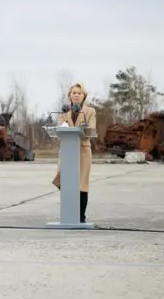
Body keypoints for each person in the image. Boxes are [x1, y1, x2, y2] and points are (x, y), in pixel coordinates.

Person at [52, 82, 97, 223]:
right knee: (64, 180)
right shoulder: (64, 112)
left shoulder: (90, 111)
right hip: (67, 151)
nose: (76, 95)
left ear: (83, 96)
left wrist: (84, 128)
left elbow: (91, 128)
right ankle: (68, 213)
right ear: (69, 96)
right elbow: (59, 129)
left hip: (83, 150)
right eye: (74, 93)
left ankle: (80, 216)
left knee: (82, 183)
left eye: (79, 93)